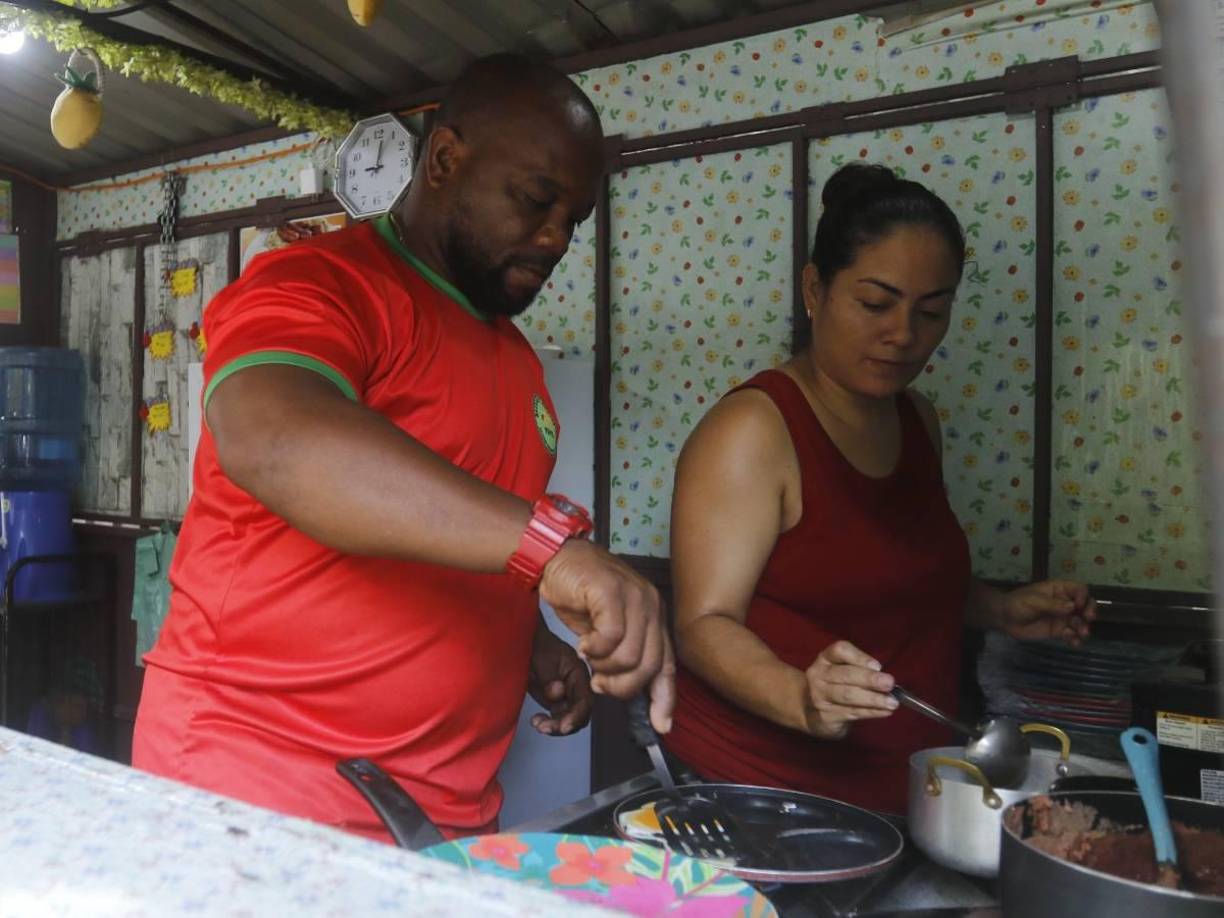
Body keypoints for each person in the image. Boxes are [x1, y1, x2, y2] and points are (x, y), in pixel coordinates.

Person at [132, 54, 674, 842]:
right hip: (258, 787)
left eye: (575, 218)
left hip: (439, 814)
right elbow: (275, 439)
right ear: (447, 160)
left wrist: (527, 641)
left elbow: (445, 537)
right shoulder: (317, 285)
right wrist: (551, 549)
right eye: (535, 200)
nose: (557, 236)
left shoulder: (517, 360)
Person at [663, 163, 1095, 815]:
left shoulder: (917, 419)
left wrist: (1002, 611)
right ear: (815, 290)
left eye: (931, 311)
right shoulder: (755, 429)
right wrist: (798, 697)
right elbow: (702, 624)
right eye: (875, 303)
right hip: (764, 789)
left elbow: (889, 580)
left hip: (907, 788)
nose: (903, 334)